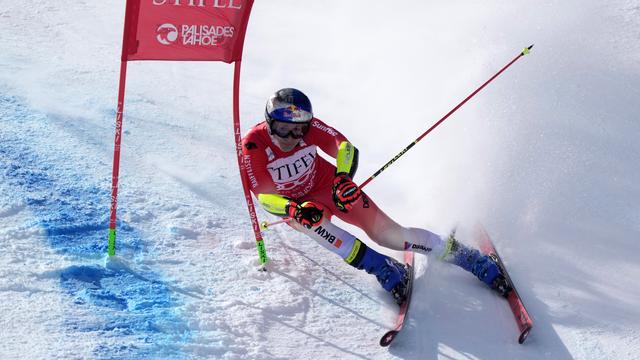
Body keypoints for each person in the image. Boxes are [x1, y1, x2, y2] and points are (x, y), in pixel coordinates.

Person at [241, 88, 509, 304]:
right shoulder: (254, 143)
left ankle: (465, 256)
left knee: (389, 235)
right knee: (311, 224)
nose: (292, 136)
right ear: (269, 122)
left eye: (299, 129)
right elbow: (264, 196)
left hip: (329, 187)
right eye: (284, 128)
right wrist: (293, 210)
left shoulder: (309, 129)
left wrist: (343, 179)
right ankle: (381, 267)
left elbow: (343, 146)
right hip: (301, 206)